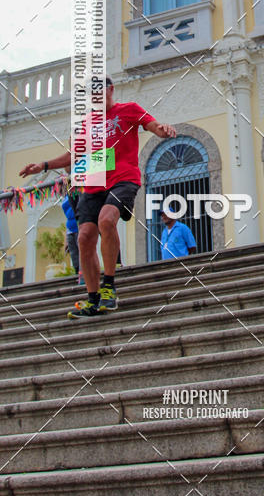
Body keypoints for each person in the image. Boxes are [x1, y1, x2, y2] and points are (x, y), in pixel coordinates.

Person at [20, 77, 176, 317]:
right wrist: (42, 165)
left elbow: (152, 125)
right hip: (94, 183)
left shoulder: (128, 109)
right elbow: (72, 156)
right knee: (84, 237)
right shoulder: (86, 124)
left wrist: (162, 130)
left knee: (106, 220)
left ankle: (109, 288)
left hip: (123, 178)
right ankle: (93, 299)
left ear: (110, 90)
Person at [61, 193, 84, 284]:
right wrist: (66, 239)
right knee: (74, 254)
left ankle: (83, 275)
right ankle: (77, 273)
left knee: (82, 252)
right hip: (70, 230)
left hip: (79, 226)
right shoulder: (66, 197)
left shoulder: (77, 193)